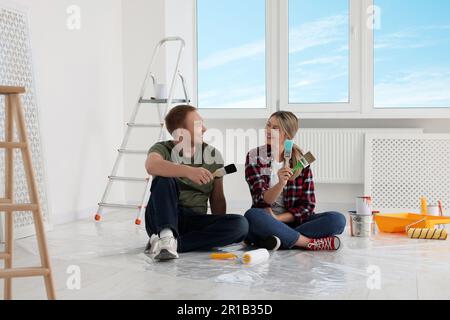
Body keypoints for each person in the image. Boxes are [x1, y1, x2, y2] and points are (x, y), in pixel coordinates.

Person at [144, 105, 248, 261]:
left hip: (194, 220)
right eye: (198, 125)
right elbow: (151, 166)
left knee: (240, 225)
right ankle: (166, 236)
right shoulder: (162, 148)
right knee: (163, 178)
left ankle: (172, 244)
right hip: (162, 217)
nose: (205, 129)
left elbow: (217, 199)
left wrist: (220, 226)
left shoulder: (213, 155)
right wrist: (187, 171)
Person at [245, 111, 346, 251]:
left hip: (294, 222)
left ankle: (278, 239)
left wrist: (278, 219)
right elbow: (260, 200)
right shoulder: (254, 156)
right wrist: (280, 184)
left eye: (275, 128)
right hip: (265, 219)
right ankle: (307, 243)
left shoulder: (302, 161)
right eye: (268, 125)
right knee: (252, 216)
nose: (268, 130)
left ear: (287, 134)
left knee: (338, 220)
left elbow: (307, 206)